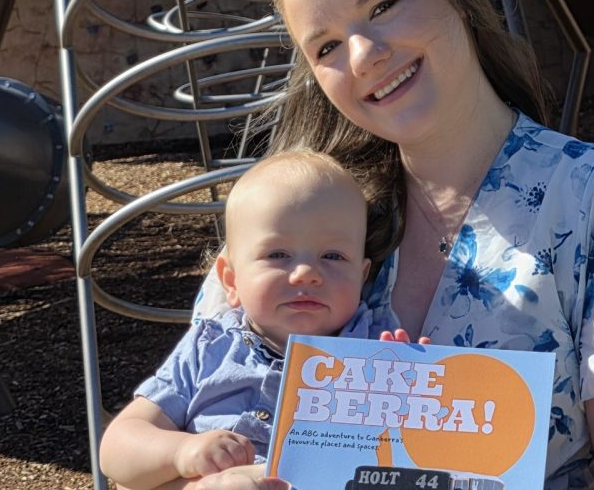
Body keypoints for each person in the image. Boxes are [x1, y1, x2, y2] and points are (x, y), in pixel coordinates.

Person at [195, 0, 594, 489]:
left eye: (385, 5)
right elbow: (168, 439)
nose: (364, 55)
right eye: (327, 47)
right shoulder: (299, 216)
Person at [101, 150, 405, 490]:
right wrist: (183, 451)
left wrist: (416, 388)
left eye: (333, 256)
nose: (306, 273)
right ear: (231, 281)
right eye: (278, 255)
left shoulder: (376, 349)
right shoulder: (210, 347)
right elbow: (117, 449)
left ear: (362, 277)